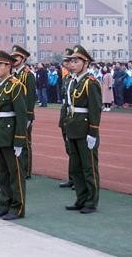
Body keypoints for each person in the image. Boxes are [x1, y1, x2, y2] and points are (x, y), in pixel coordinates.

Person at [0, 50, 28, 220]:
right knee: (2, 172)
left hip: (10, 133)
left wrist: (19, 140)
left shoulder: (16, 85)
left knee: (15, 173)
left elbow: (21, 114)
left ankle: (17, 207)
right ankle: (4, 204)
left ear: (8, 66)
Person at [64, 45, 101, 214]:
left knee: (89, 167)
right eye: (72, 60)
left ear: (86, 63)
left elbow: (95, 109)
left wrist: (93, 132)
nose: (73, 63)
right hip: (73, 127)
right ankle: (80, 198)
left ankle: (91, 201)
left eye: (76, 60)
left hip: (85, 129)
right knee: (75, 168)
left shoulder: (90, 83)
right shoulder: (73, 81)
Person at [11, 45, 36, 179]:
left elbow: (30, 96)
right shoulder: (14, 74)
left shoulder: (27, 75)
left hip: (24, 114)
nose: (13, 59)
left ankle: (26, 170)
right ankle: (18, 167)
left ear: (23, 58)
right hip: (15, 113)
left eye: (16, 57)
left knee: (25, 142)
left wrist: (28, 116)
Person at [58, 49, 74, 188]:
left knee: (76, 149)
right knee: (68, 148)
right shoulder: (67, 78)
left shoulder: (83, 80)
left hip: (75, 116)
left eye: (68, 61)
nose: (66, 63)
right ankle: (72, 177)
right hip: (65, 115)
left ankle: (77, 179)